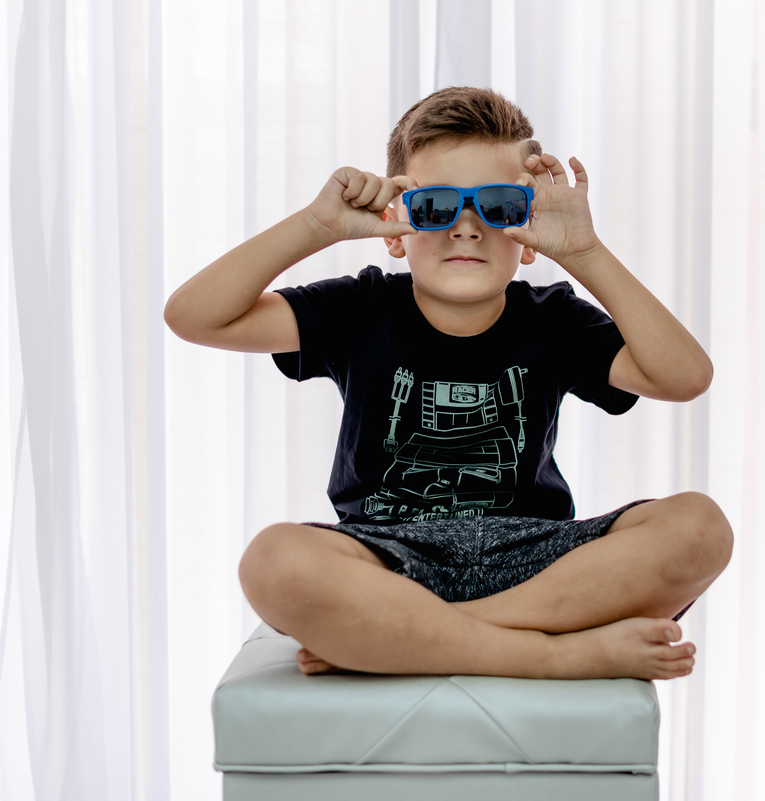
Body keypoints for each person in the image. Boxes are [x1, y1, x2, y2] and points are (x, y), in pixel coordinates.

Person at [164, 87, 732, 681]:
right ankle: (549, 653)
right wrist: (317, 225)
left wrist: (584, 252)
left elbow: (684, 376)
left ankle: (412, 637)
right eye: (434, 207)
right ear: (394, 232)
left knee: (698, 527)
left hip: (535, 555)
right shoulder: (359, 308)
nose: (466, 228)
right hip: (388, 556)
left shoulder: (555, 319)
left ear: (528, 230)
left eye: (498, 207)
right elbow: (194, 316)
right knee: (275, 559)